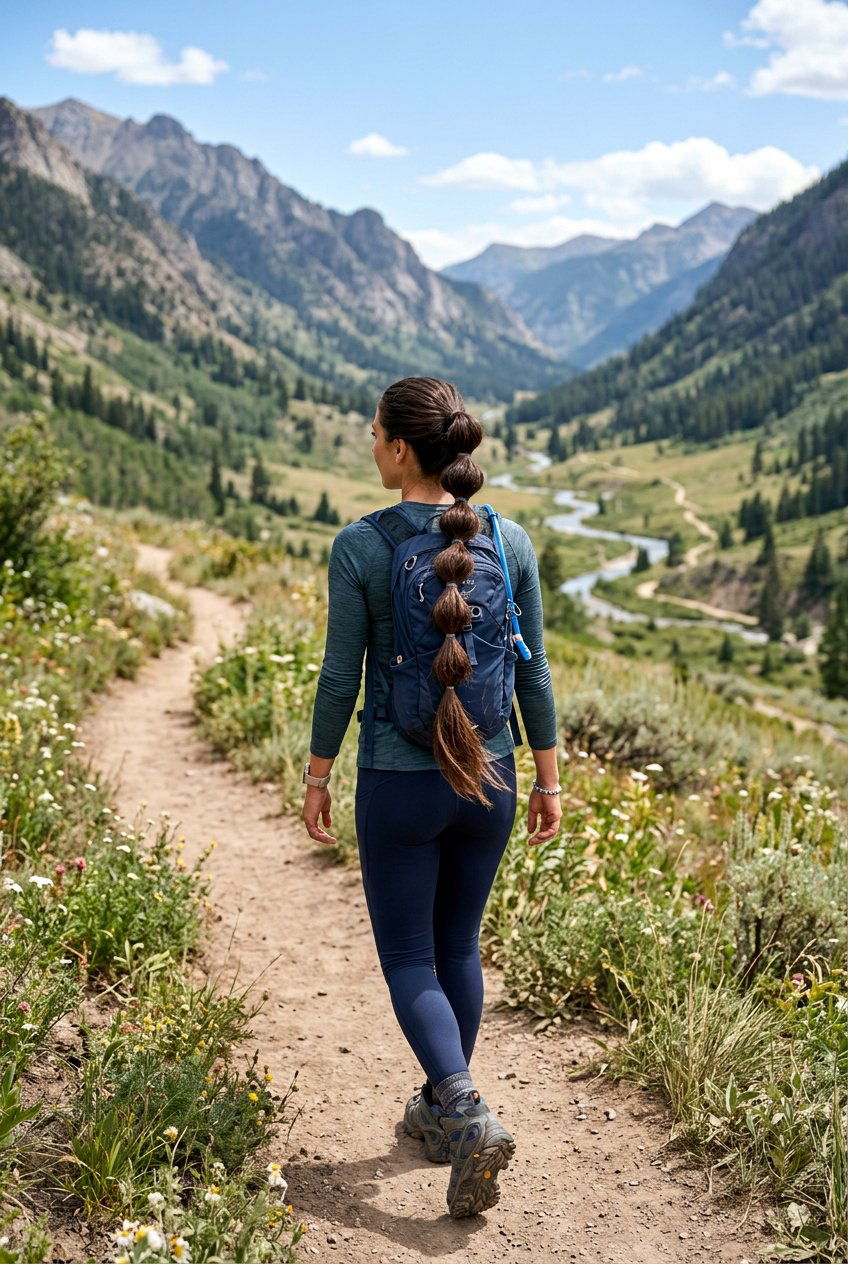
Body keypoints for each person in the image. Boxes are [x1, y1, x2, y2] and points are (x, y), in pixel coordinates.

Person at [302, 375, 562, 1219]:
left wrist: (316, 775)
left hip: (399, 780)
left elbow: (343, 676)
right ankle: (442, 1106)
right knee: (459, 949)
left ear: (403, 447)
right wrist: (549, 780)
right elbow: (532, 668)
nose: (369, 443)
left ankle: (461, 1106)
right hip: (491, 781)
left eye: (375, 432)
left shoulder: (363, 546)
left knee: (410, 958)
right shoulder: (511, 540)